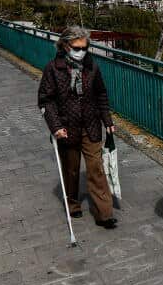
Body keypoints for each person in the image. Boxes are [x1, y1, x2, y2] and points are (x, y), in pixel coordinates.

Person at [38, 25, 117, 228]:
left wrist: (107, 120)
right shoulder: (53, 69)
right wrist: (55, 126)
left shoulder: (92, 65)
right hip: (67, 128)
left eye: (84, 48)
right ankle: (72, 204)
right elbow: (46, 100)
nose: (81, 52)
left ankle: (104, 214)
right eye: (77, 47)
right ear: (65, 45)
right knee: (71, 170)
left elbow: (101, 93)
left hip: (91, 125)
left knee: (96, 169)